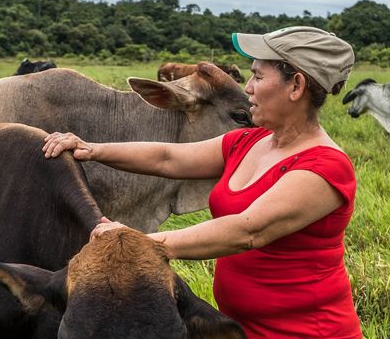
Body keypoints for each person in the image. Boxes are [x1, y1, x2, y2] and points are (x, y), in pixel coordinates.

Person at [43, 26, 362, 338]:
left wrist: (138, 245)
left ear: (296, 86)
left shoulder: (326, 166)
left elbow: (249, 230)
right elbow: (167, 158)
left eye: (258, 77)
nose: (248, 88)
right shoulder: (249, 142)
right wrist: (92, 149)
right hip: (236, 325)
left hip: (308, 331)